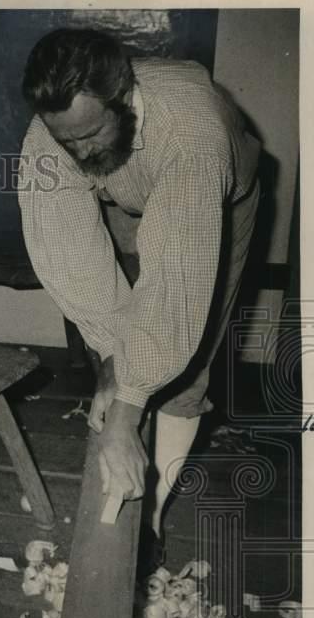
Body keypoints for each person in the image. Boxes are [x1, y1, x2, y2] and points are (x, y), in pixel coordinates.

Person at [16, 28, 261, 547]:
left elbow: (175, 289)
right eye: (68, 140)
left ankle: (149, 516)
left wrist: (127, 413)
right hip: (127, 190)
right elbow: (71, 259)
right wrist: (111, 356)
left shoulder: (193, 133)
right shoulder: (51, 136)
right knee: (121, 350)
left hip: (217, 196)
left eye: (90, 135)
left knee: (185, 364)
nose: (78, 151)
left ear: (124, 99)